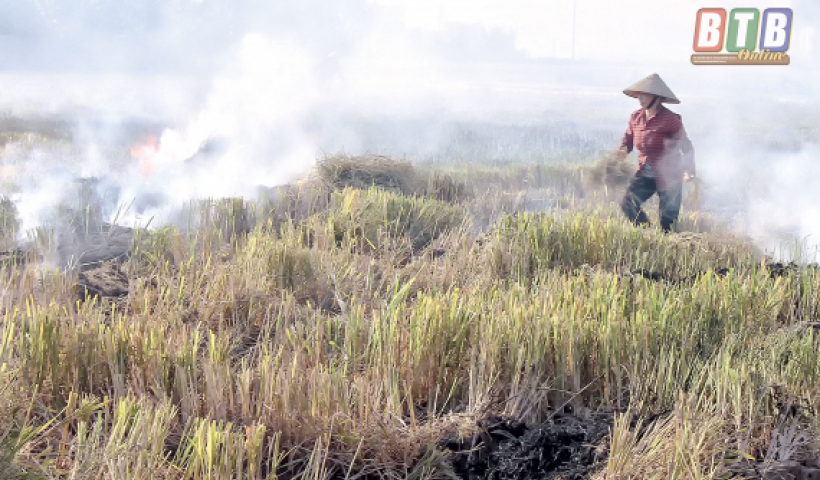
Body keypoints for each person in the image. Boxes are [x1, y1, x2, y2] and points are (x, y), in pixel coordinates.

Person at [618, 73, 695, 232]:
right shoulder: (636, 118)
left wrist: (688, 170)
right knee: (628, 202)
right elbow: (627, 142)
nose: (640, 97)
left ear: (656, 97)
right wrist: (616, 159)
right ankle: (647, 232)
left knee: (668, 222)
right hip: (646, 174)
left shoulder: (671, 119)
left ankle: (669, 244)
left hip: (669, 176)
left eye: (644, 94)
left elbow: (685, 146)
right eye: (639, 94)